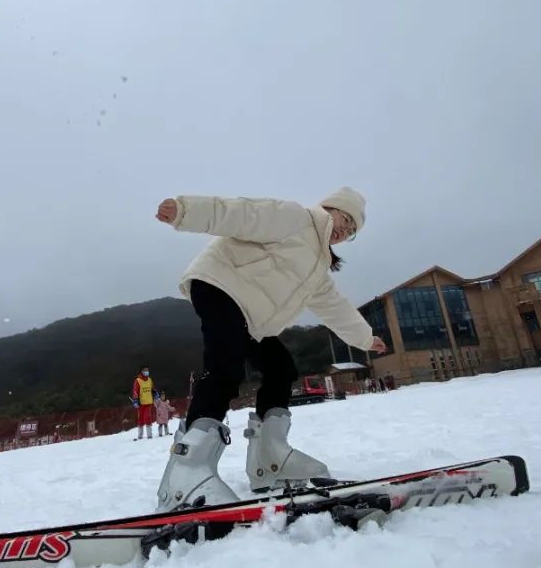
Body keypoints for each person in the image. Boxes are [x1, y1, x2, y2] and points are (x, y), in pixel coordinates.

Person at [153, 188, 387, 511]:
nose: (344, 230)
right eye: (344, 219)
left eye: (351, 231)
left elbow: (336, 307)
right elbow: (240, 214)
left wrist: (365, 338)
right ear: (328, 208)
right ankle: (186, 471)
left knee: (281, 368)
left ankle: (270, 459)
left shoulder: (317, 268)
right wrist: (184, 212)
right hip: (220, 285)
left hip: (249, 318)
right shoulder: (296, 219)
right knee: (226, 366)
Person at [132, 365, 155, 440]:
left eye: (147, 370)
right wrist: (135, 401)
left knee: (147, 417)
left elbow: (152, 389)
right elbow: (135, 391)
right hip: (141, 403)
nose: (146, 372)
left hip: (149, 402)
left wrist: (156, 393)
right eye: (145, 370)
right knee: (141, 418)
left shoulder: (149, 379)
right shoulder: (138, 381)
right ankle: (140, 435)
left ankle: (149, 435)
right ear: (141, 371)